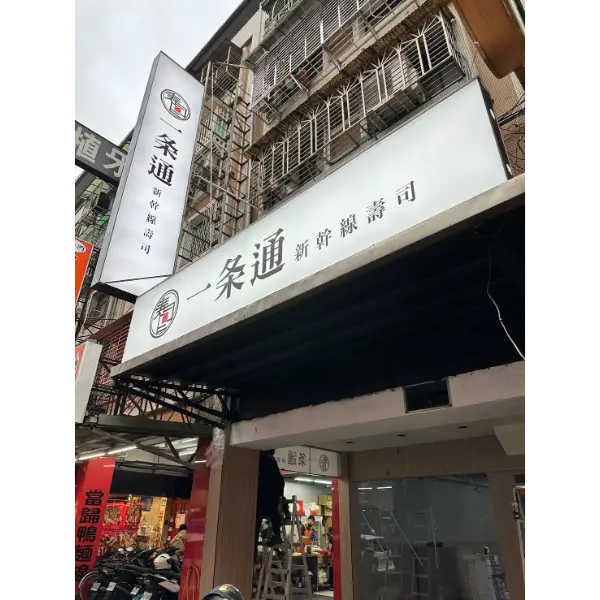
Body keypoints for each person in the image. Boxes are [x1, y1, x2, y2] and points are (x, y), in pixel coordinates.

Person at [255, 450, 285, 551]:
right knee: (273, 511)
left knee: (269, 511)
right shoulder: (270, 459)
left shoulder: (264, 458)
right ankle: (276, 535)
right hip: (273, 489)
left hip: (269, 490)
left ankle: (275, 535)